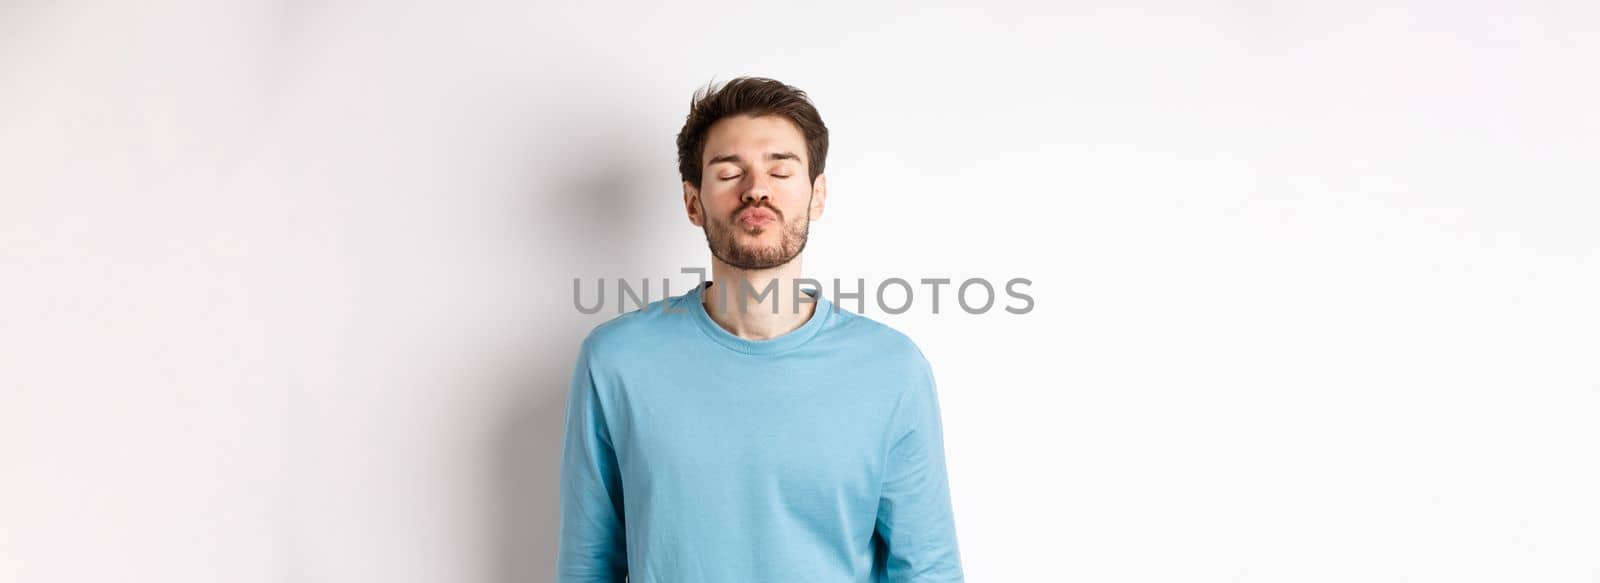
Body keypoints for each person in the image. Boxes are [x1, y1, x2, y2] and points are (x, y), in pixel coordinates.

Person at [556, 76, 964, 582]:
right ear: (693, 202)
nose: (756, 189)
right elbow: (587, 564)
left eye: (780, 170)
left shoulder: (892, 368)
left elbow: (928, 568)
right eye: (729, 173)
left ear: (817, 196)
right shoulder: (615, 361)